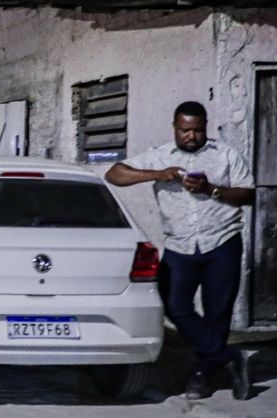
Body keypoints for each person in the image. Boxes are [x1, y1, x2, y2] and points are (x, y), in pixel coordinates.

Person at [106, 101, 255, 400]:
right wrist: (157, 174)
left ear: (205, 127)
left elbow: (248, 194)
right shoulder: (159, 155)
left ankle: (202, 375)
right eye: (185, 130)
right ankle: (229, 357)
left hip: (221, 242)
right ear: (175, 128)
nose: (191, 136)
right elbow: (114, 174)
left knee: (218, 313)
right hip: (179, 246)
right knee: (174, 307)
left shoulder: (225, 155)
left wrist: (211, 189)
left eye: (197, 130)